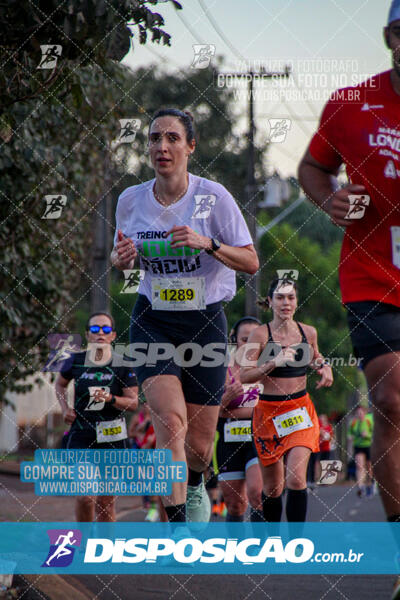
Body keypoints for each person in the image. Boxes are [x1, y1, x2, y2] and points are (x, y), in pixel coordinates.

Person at [110, 108, 259, 525]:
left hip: (205, 323)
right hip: (153, 320)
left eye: (173, 138)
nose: (162, 146)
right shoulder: (130, 200)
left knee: (197, 442)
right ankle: (176, 528)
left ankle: (195, 481)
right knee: (170, 425)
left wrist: (206, 243)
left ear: (190, 146)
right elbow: (120, 257)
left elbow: (250, 262)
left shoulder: (214, 198)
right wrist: (120, 259)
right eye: (155, 138)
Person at [298, 0, 400, 528]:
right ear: (388, 37)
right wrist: (331, 199)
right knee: (390, 399)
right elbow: (312, 167)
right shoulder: (352, 103)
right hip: (373, 274)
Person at [240, 277, 333, 524]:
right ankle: (273, 546)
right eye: (280, 298)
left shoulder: (308, 332)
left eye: (291, 297)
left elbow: (315, 356)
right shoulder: (260, 334)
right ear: (270, 301)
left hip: (300, 411)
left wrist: (324, 366)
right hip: (267, 414)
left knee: (296, 479)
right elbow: (245, 374)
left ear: (296, 301)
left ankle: (294, 549)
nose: (286, 303)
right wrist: (272, 363)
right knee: (272, 489)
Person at [55, 312, 138, 522]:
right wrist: (65, 408)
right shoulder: (75, 361)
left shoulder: (123, 364)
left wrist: (110, 399)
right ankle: (84, 544)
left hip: (113, 438)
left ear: (113, 335)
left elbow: (133, 403)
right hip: (82, 435)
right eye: (94, 329)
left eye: (105, 329)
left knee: (106, 503)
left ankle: (103, 551)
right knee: (85, 496)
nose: (100, 333)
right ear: (87, 335)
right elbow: (59, 385)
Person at [214, 317, 264, 521]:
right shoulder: (220, 370)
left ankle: (261, 548)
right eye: (245, 339)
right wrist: (226, 399)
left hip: (258, 436)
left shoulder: (267, 369)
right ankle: (237, 548)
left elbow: (272, 406)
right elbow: (210, 412)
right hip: (227, 438)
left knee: (257, 494)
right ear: (234, 339)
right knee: (235, 505)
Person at [347, 405, 374, 498]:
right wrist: (350, 436)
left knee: (369, 467)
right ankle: (360, 486)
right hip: (358, 446)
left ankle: (370, 485)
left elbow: (374, 434)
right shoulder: (354, 422)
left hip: (368, 446)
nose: (360, 414)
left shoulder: (369, 421)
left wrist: (367, 435)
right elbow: (349, 432)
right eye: (358, 413)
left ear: (364, 413)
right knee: (359, 466)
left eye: (361, 413)